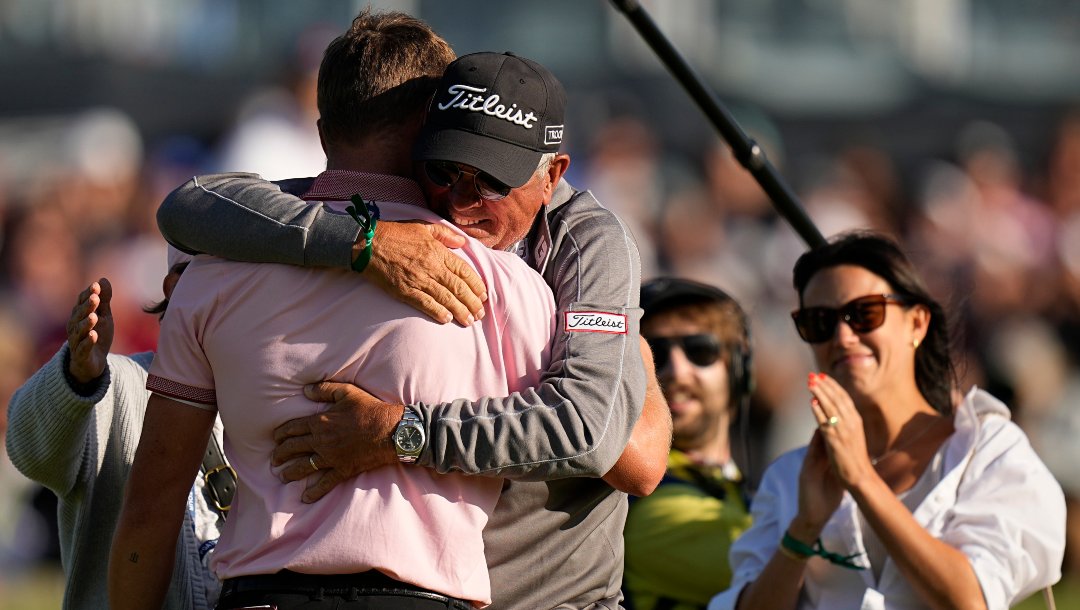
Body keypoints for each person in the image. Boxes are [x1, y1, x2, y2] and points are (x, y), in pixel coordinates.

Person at [156, 50, 671, 609]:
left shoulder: (588, 243)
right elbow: (189, 208)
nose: (460, 199)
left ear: (552, 175)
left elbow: (610, 443)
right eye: (445, 169)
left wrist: (401, 434)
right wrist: (364, 244)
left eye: (493, 181)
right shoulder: (389, 209)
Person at [108, 11, 557, 610]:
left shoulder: (210, 279)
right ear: (433, 126)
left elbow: (152, 506)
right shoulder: (508, 287)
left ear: (322, 131)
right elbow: (583, 444)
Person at [710, 231, 1065, 610]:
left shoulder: (987, 450)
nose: (843, 336)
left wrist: (862, 480)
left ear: (917, 323)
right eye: (819, 321)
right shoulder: (790, 478)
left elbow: (972, 599)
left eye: (864, 314)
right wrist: (803, 531)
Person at [6, 247, 229, 610]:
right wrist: (76, 379)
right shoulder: (121, 386)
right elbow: (28, 448)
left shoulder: (288, 401)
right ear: (176, 288)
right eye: (233, 278)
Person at [623, 278, 755, 610]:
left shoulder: (734, 485)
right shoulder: (649, 505)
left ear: (738, 369)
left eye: (700, 350)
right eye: (656, 354)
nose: (677, 372)